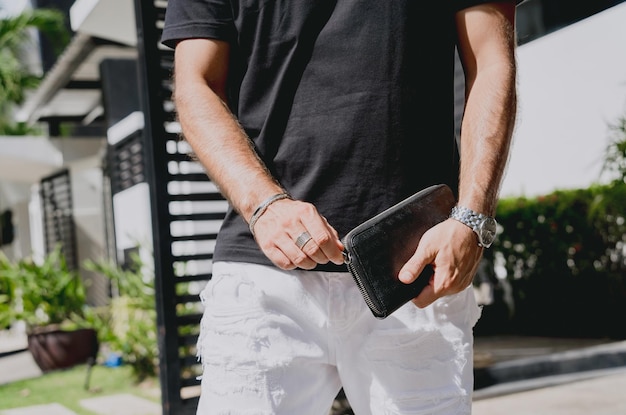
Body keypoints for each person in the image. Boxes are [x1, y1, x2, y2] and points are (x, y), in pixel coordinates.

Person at [162, 0, 519, 413]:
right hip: (265, 275)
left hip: (413, 271)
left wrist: (473, 220)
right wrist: (265, 205)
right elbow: (196, 84)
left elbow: (493, 61)